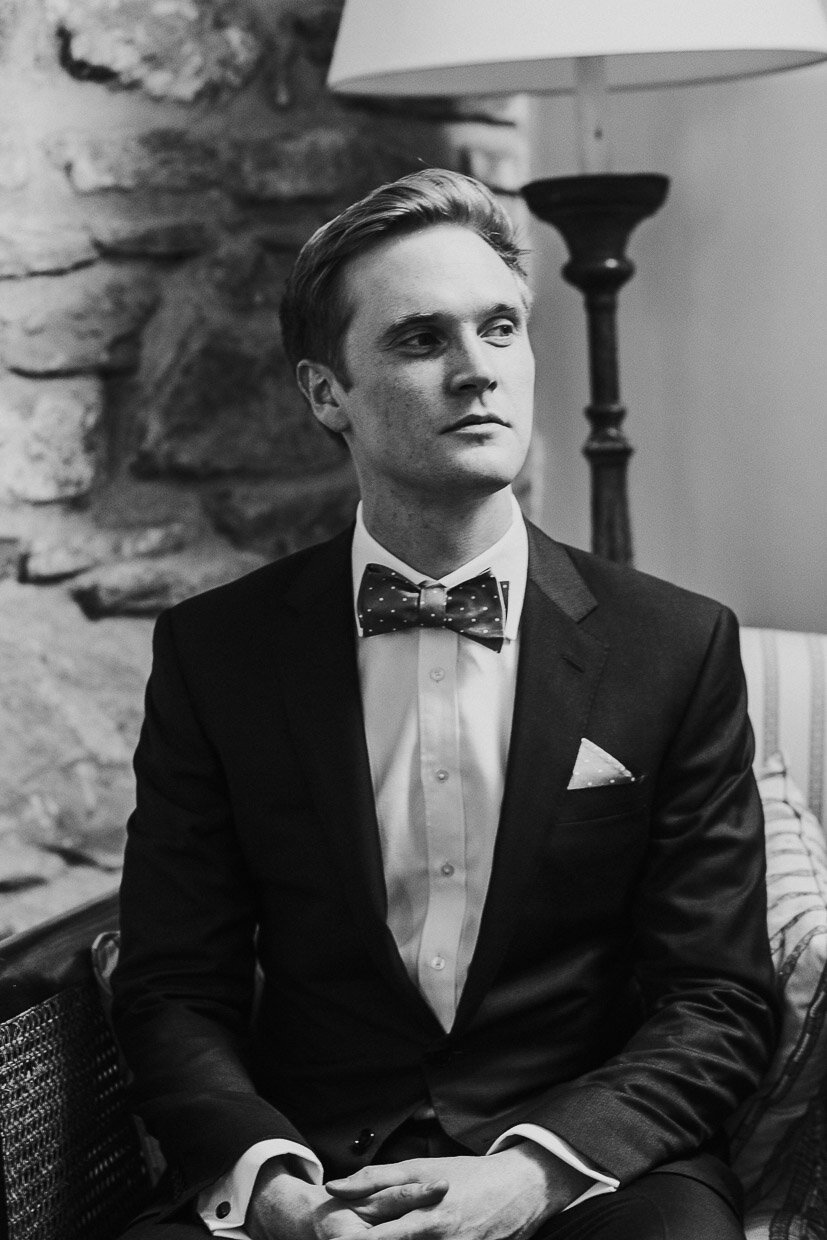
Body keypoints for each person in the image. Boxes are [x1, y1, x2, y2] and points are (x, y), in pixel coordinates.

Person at [112, 168, 778, 1240]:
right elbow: (172, 985)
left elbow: (717, 996)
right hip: (315, 1165)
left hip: (591, 1176)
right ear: (325, 393)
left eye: (500, 328)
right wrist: (272, 1185)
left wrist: (530, 1173)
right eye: (420, 340)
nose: (477, 371)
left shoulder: (675, 643)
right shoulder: (215, 653)